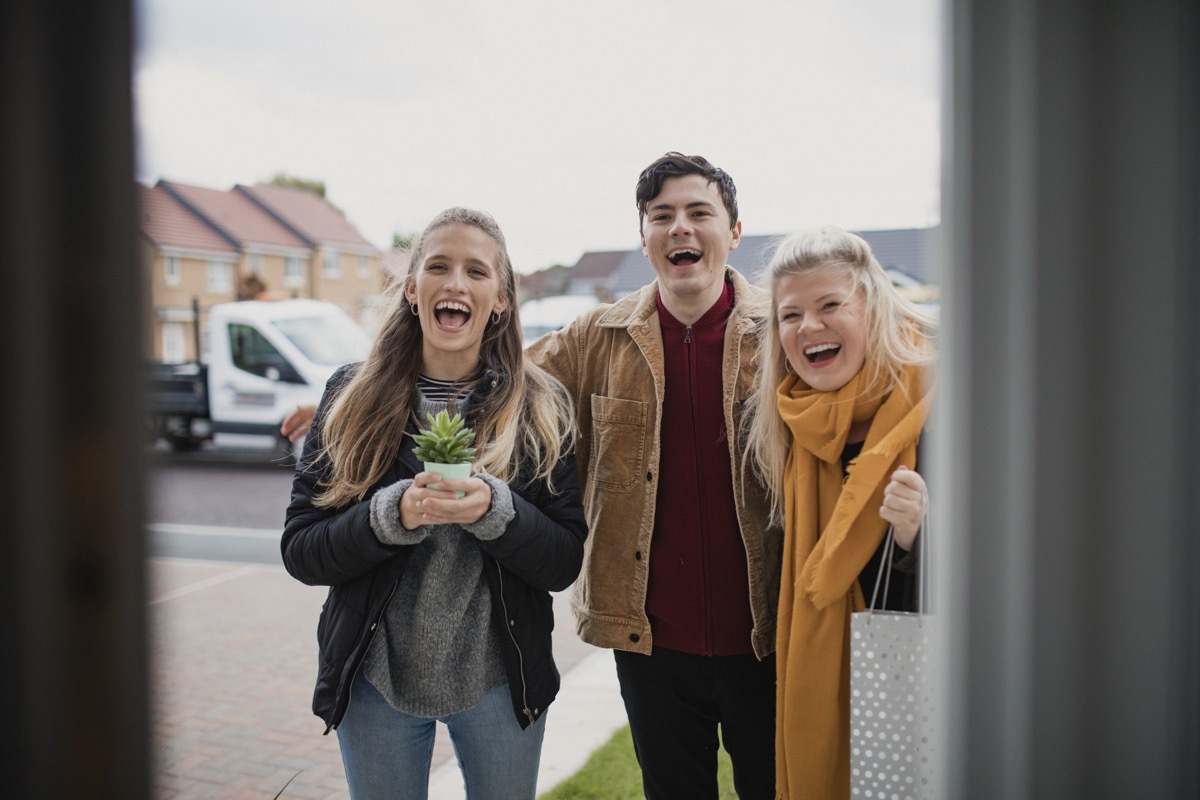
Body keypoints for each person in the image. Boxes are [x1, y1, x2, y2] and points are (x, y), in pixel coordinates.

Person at [281, 207, 587, 800]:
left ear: (500, 299)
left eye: (476, 271)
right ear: (411, 288)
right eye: (439, 266)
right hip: (374, 679)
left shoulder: (541, 405)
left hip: (502, 679)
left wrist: (497, 512)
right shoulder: (349, 395)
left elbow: (563, 562)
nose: (456, 283)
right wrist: (388, 516)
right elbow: (302, 550)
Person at [524, 152, 781, 799]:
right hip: (652, 644)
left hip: (773, 636)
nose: (680, 228)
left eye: (699, 212)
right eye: (661, 216)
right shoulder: (598, 336)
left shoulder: (783, 329)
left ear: (734, 231)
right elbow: (498, 380)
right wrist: (361, 392)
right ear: (643, 238)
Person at [743, 225, 936, 799]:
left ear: (872, 308)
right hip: (824, 679)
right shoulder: (790, 425)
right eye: (790, 315)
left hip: (924, 685)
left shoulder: (941, 406)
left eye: (830, 305)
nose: (809, 326)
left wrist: (920, 536)